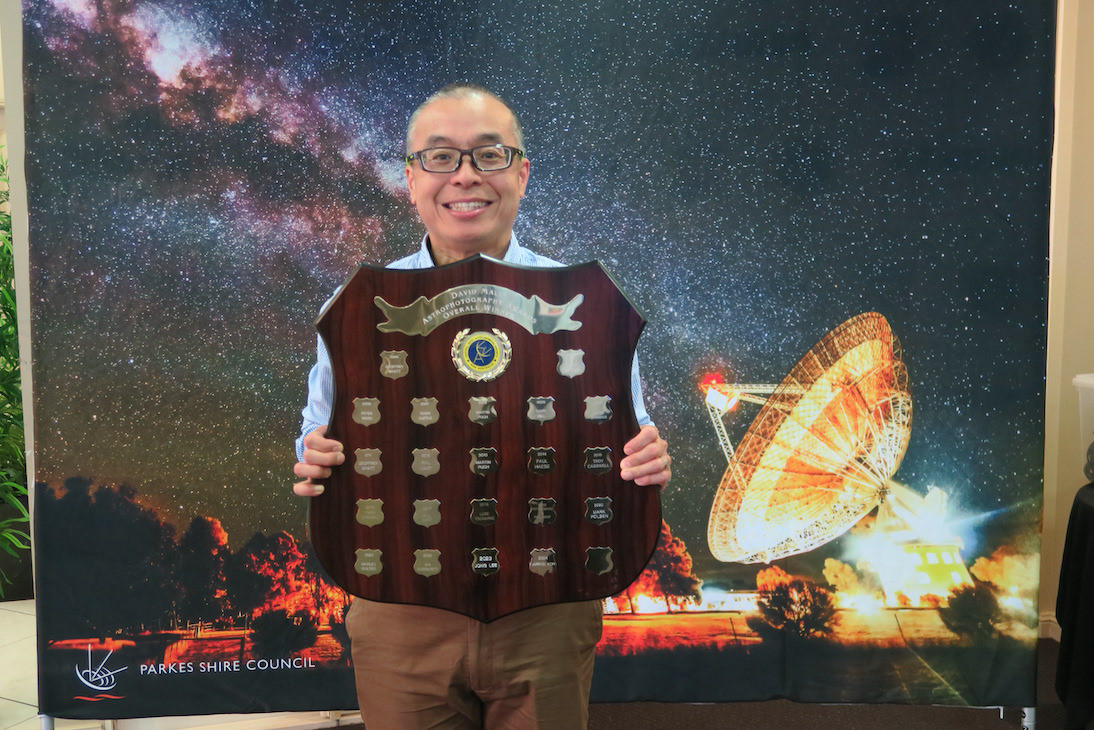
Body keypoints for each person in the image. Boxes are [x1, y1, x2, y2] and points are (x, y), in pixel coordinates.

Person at [293, 83, 672, 730]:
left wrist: (646, 456)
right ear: (410, 180)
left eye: (489, 156)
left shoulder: (588, 303)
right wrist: (314, 456)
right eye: (440, 158)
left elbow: (622, 431)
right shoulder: (357, 307)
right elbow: (319, 436)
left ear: (522, 173)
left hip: (545, 606)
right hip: (400, 606)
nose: (465, 176)